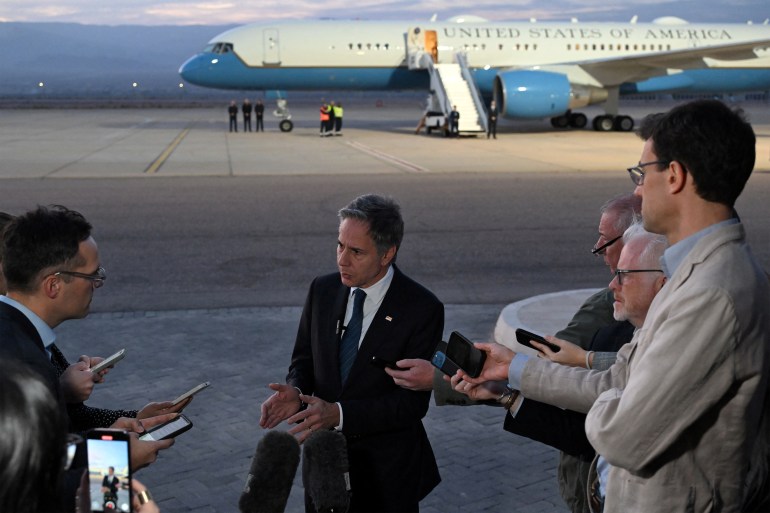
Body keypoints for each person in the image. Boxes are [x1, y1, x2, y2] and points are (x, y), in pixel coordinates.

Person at [461, 100, 770, 512]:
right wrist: (514, 369)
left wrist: (626, 398)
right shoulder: (692, 273)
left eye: (643, 174)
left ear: (675, 176)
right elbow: (617, 381)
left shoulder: (712, 294)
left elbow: (626, 436)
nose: (638, 189)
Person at [387, 192, 641, 513]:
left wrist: (443, 379)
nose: (600, 255)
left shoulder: (614, 317)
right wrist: (505, 392)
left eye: (605, 242)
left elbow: (563, 389)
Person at [452, 222, 667, 505]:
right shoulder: (621, 332)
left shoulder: (671, 338)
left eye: (624, 275)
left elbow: (603, 391)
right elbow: (589, 413)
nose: (612, 284)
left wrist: (520, 367)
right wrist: (508, 388)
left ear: (662, 283)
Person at [259, 194, 443, 512]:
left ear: (387, 254)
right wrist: (297, 390)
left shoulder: (422, 308)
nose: (342, 260)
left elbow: (411, 405)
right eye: (340, 245)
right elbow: (303, 359)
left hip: (387, 477)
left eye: (356, 251)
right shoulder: (323, 290)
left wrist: (340, 414)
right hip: (325, 468)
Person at [0, 205, 178, 471]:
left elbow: (48, 450)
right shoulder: (23, 362)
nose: (98, 282)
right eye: (91, 275)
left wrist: (109, 436)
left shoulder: (19, 335)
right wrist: (119, 460)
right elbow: (33, 485)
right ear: (54, 285)